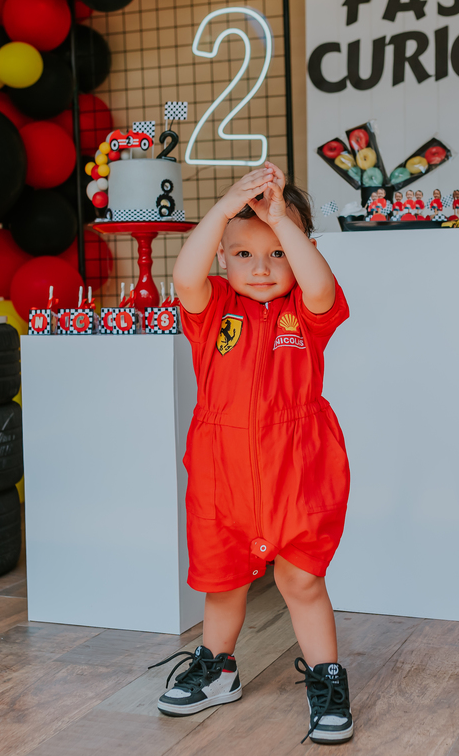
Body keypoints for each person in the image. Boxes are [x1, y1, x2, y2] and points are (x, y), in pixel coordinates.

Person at [151, 163, 354, 745]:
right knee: (223, 579)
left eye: (278, 252)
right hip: (223, 469)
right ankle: (217, 668)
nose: (262, 267)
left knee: (302, 579)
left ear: (298, 250)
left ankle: (327, 679)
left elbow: (320, 285)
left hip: (299, 466)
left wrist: (280, 219)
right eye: (243, 253)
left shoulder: (307, 314)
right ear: (222, 257)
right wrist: (221, 209)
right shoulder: (212, 306)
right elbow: (186, 274)